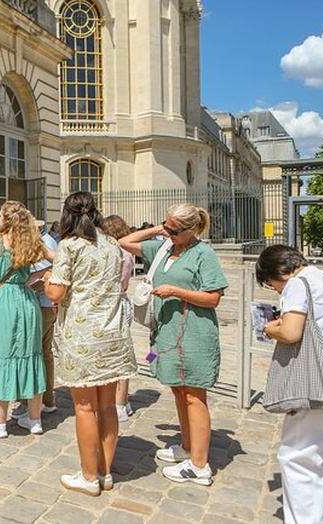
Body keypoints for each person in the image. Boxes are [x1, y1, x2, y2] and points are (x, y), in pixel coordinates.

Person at [120, 203, 228, 486]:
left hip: (194, 332)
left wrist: (176, 291)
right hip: (168, 332)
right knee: (179, 390)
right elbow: (124, 241)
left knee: (194, 394)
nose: (168, 232)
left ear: (192, 230)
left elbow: (213, 297)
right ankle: (188, 446)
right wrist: (160, 229)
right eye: (166, 225)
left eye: (174, 229)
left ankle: (199, 464)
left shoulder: (203, 253)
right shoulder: (164, 248)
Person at [46, 192, 137, 496]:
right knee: (108, 405)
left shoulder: (69, 246)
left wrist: (48, 280)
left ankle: (88, 476)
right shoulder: (112, 243)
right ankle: (105, 472)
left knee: (85, 408)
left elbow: (56, 294)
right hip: (113, 334)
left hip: (83, 335)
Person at [256, 245, 323, 524]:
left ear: (280, 273)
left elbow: (290, 331)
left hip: (319, 385)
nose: (276, 291)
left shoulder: (298, 284)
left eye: (272, 285)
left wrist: (269, 327)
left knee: (300, 460)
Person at [0, 201, 46, 438]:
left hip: (2, 300)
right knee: (31, 356)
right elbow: (53, 261)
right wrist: (31, 278)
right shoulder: (30, 241)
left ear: (4, 219)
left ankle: (0, 423)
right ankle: (35, 420)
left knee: (0, 355)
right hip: (26, 300)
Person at [10, 219, 58, 417]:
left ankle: (29, 402)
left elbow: (48, 273)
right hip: (47, 305)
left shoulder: (44, 244)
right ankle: (47, 399)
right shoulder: (50, 242)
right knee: (45, 353)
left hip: (41, 303)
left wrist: (28, 285)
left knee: (33, 353)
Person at [101, 214, 136, 423]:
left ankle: (119, 403)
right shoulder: (128, 252)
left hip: (113, 303)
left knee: (117, 356)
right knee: (119, 353)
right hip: (123, 301)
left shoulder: (115, 253)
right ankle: (121, 401)